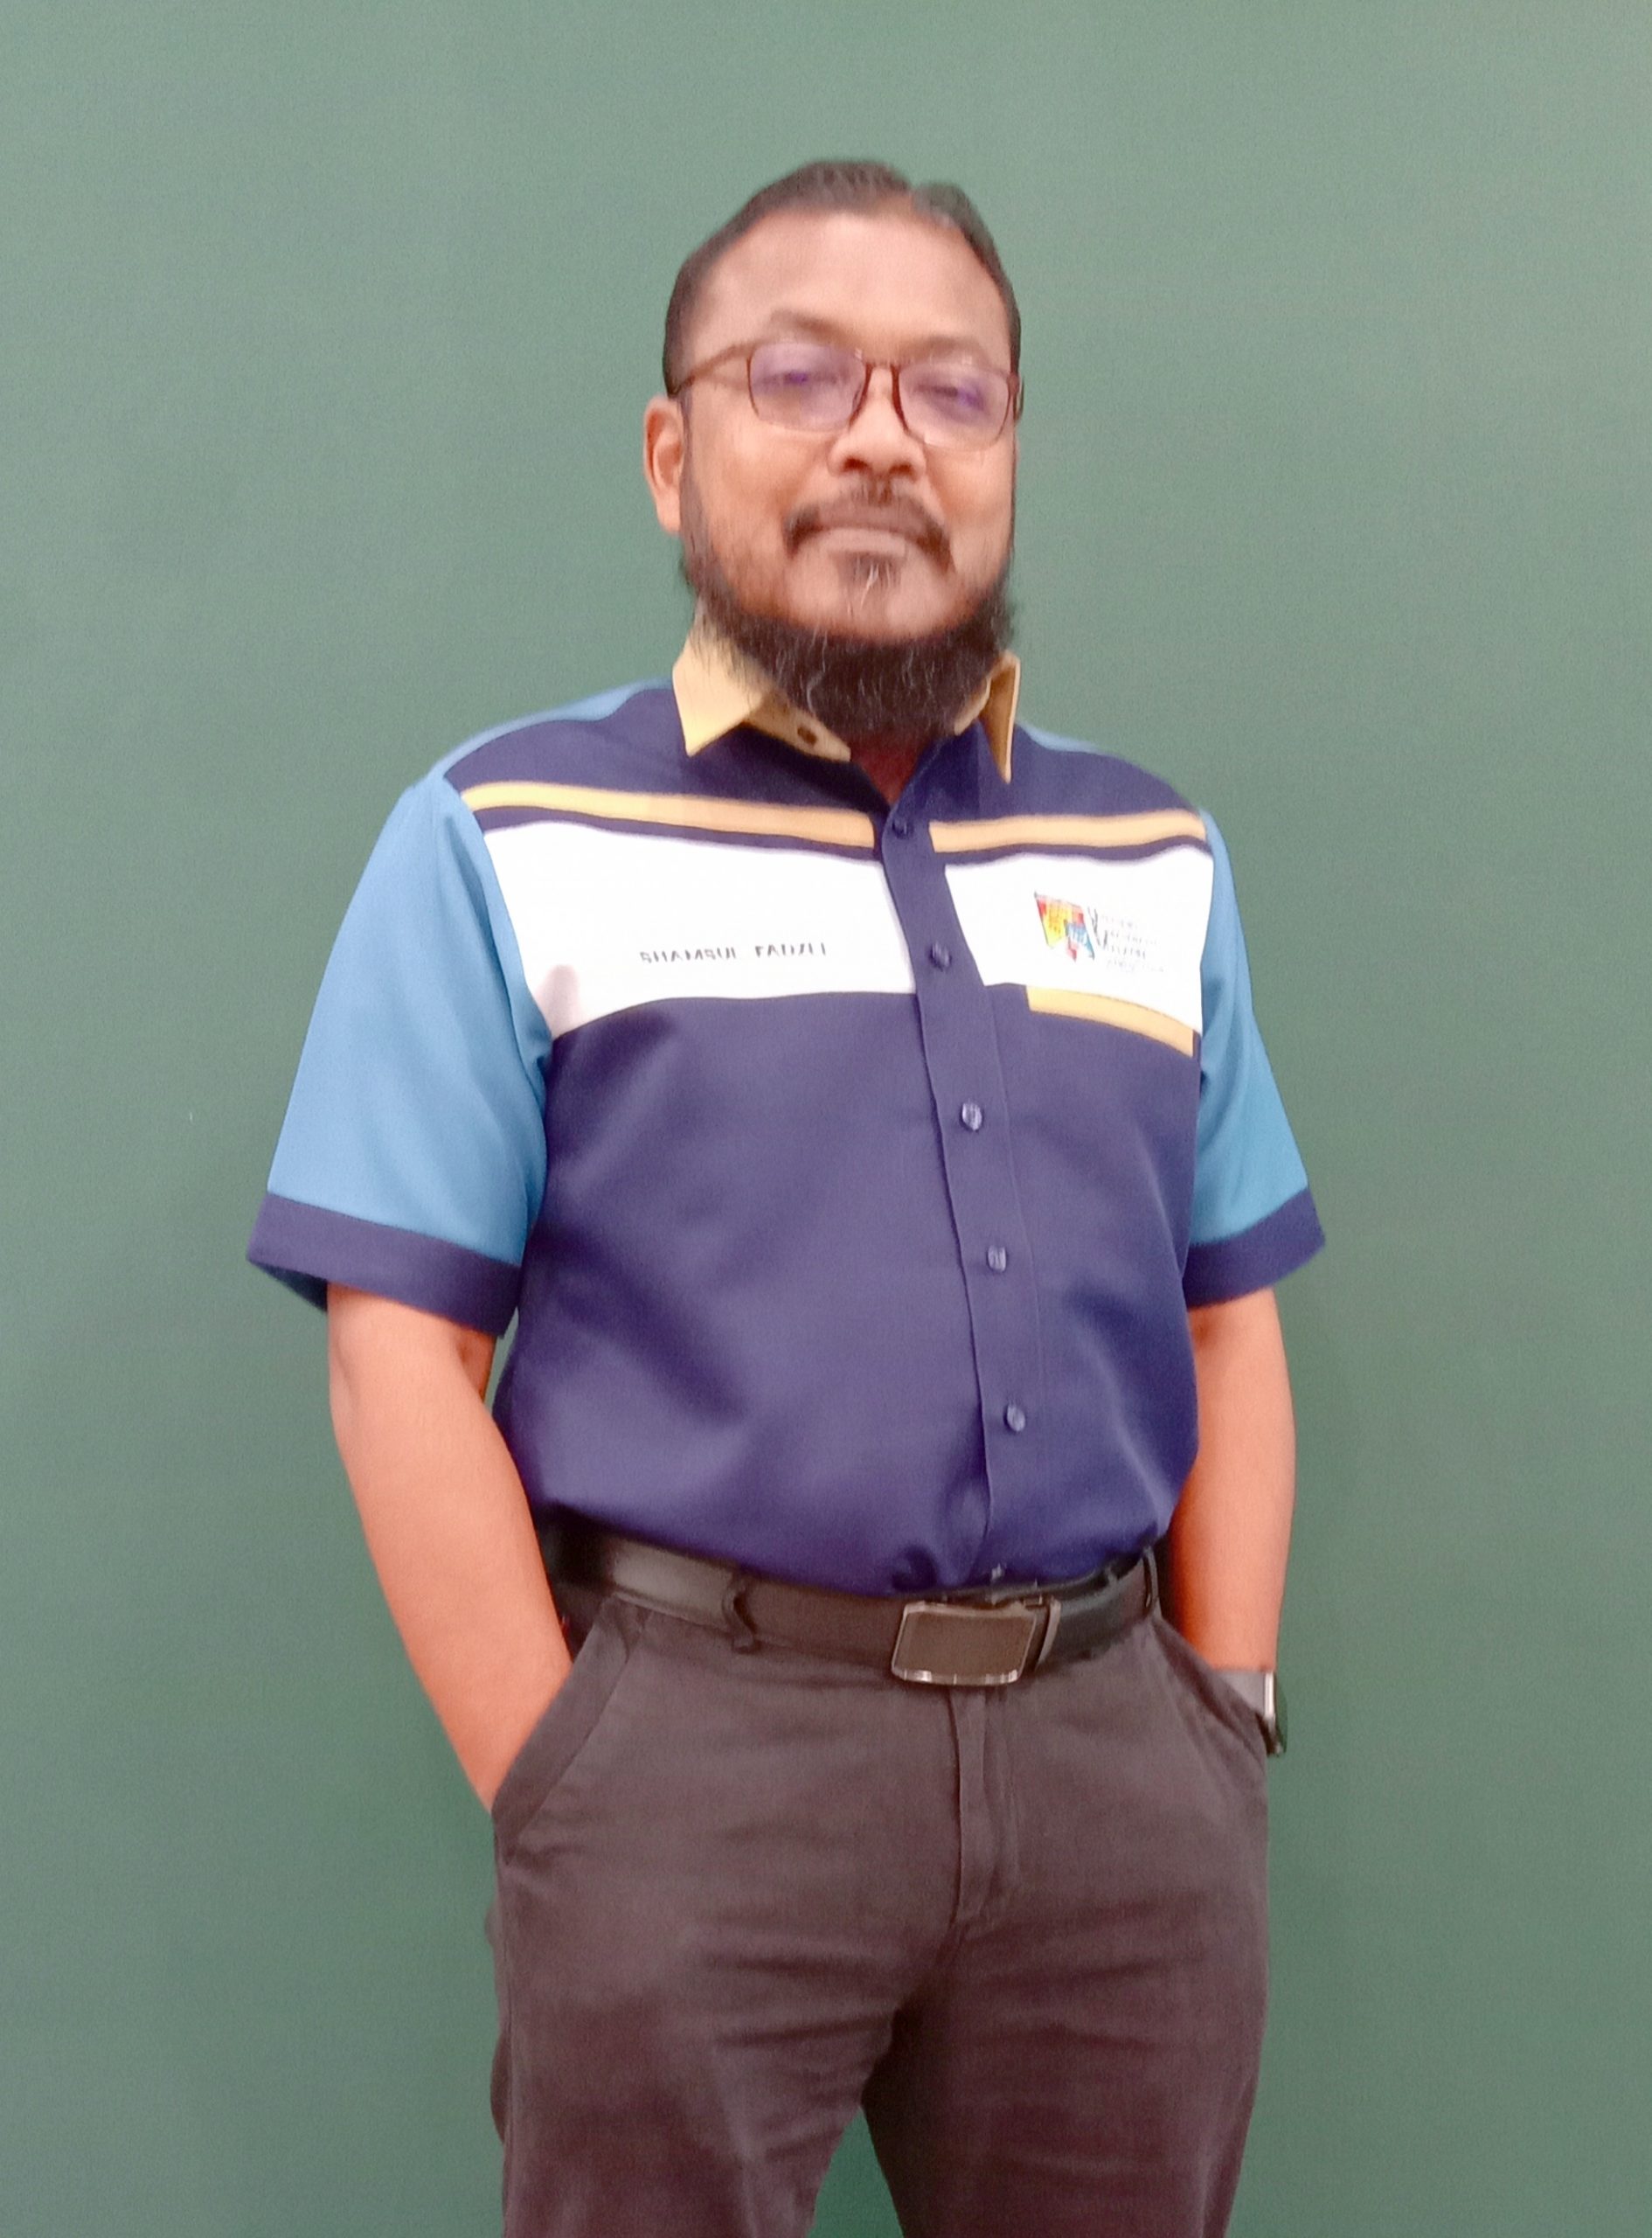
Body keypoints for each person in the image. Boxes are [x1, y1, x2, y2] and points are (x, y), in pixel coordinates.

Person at [249, 159, 1323, 2238]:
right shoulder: (503, 833)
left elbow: (1228, 1311)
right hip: (691, 1765)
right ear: (674, 453)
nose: (881, 440)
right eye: (801, 375)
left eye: (951, 390)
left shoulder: (1153, 855)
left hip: (1121, 1773)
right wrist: (565, 1780)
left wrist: (1228, 1714)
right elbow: (401, 1355)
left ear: (1011, 449)